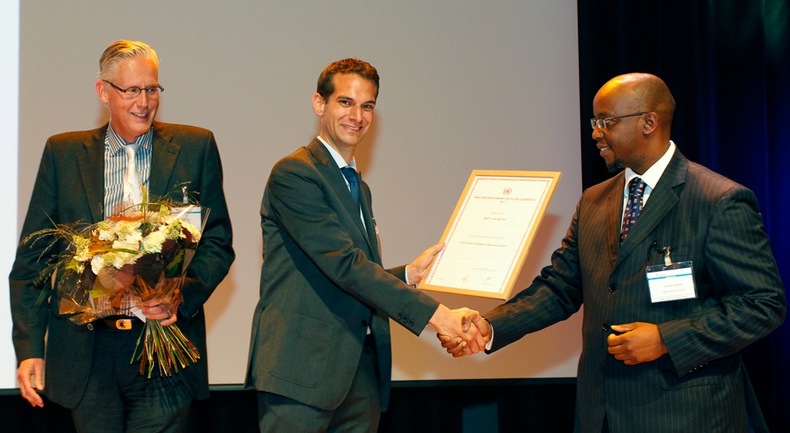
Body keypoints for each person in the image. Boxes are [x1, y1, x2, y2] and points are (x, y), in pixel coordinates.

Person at [442, 73, 786, 433]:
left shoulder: (718, 200)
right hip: (601, 413)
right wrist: (490, 326)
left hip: (687, 413)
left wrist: (667, 339)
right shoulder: (595, 200)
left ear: (649, 122)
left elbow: (762, 304)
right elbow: (559, 287)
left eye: (606, 121)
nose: (595, 132)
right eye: (594, 122)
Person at [245, 58, 484, 433]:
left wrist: (408, 274)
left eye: (367, 105)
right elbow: (345, 266)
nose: (357, 115)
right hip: (301, 373)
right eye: (345, 102)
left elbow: (342, 277)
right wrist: (440, 316)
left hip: (360, 377)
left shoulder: (358, 187)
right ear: (319, 104)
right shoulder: (295, 174)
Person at [10, 40, 235, 432]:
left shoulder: (194, 147)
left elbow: (217, 242)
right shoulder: (63, 154)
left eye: (151, 89)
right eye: (131, 90)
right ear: (103, 92)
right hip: (88, 352)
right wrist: (28, 348)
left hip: (162, 350)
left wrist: (181, 295)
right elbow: (34, 256)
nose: (144, 102)